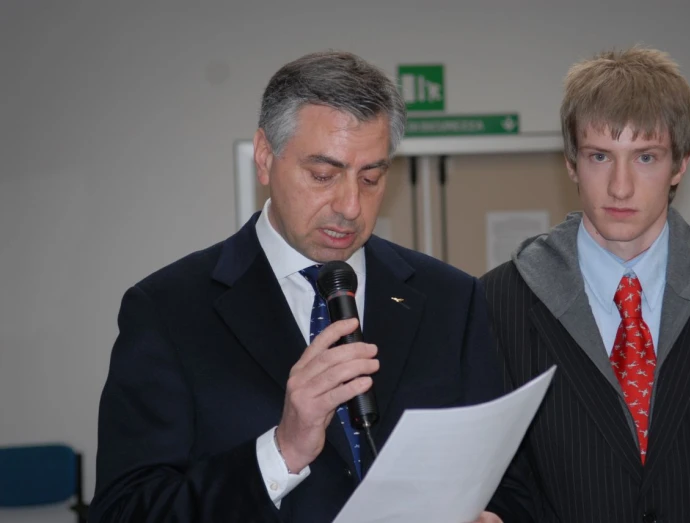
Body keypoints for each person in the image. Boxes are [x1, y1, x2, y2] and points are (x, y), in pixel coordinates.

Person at [90, 51, 503, 523]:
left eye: (371, 177)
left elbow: (505, 477)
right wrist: (281, 452)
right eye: (323, 175)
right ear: (265, 158)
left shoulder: (453, 298)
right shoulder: (167, 310)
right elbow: (126, 512)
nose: (350, 205)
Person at [483, 47, 690, 522]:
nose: (620, 187)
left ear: (680, 165)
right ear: (571, 163)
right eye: (600, 155)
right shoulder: (500, 302)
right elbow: (499, 486)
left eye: (645, 157)